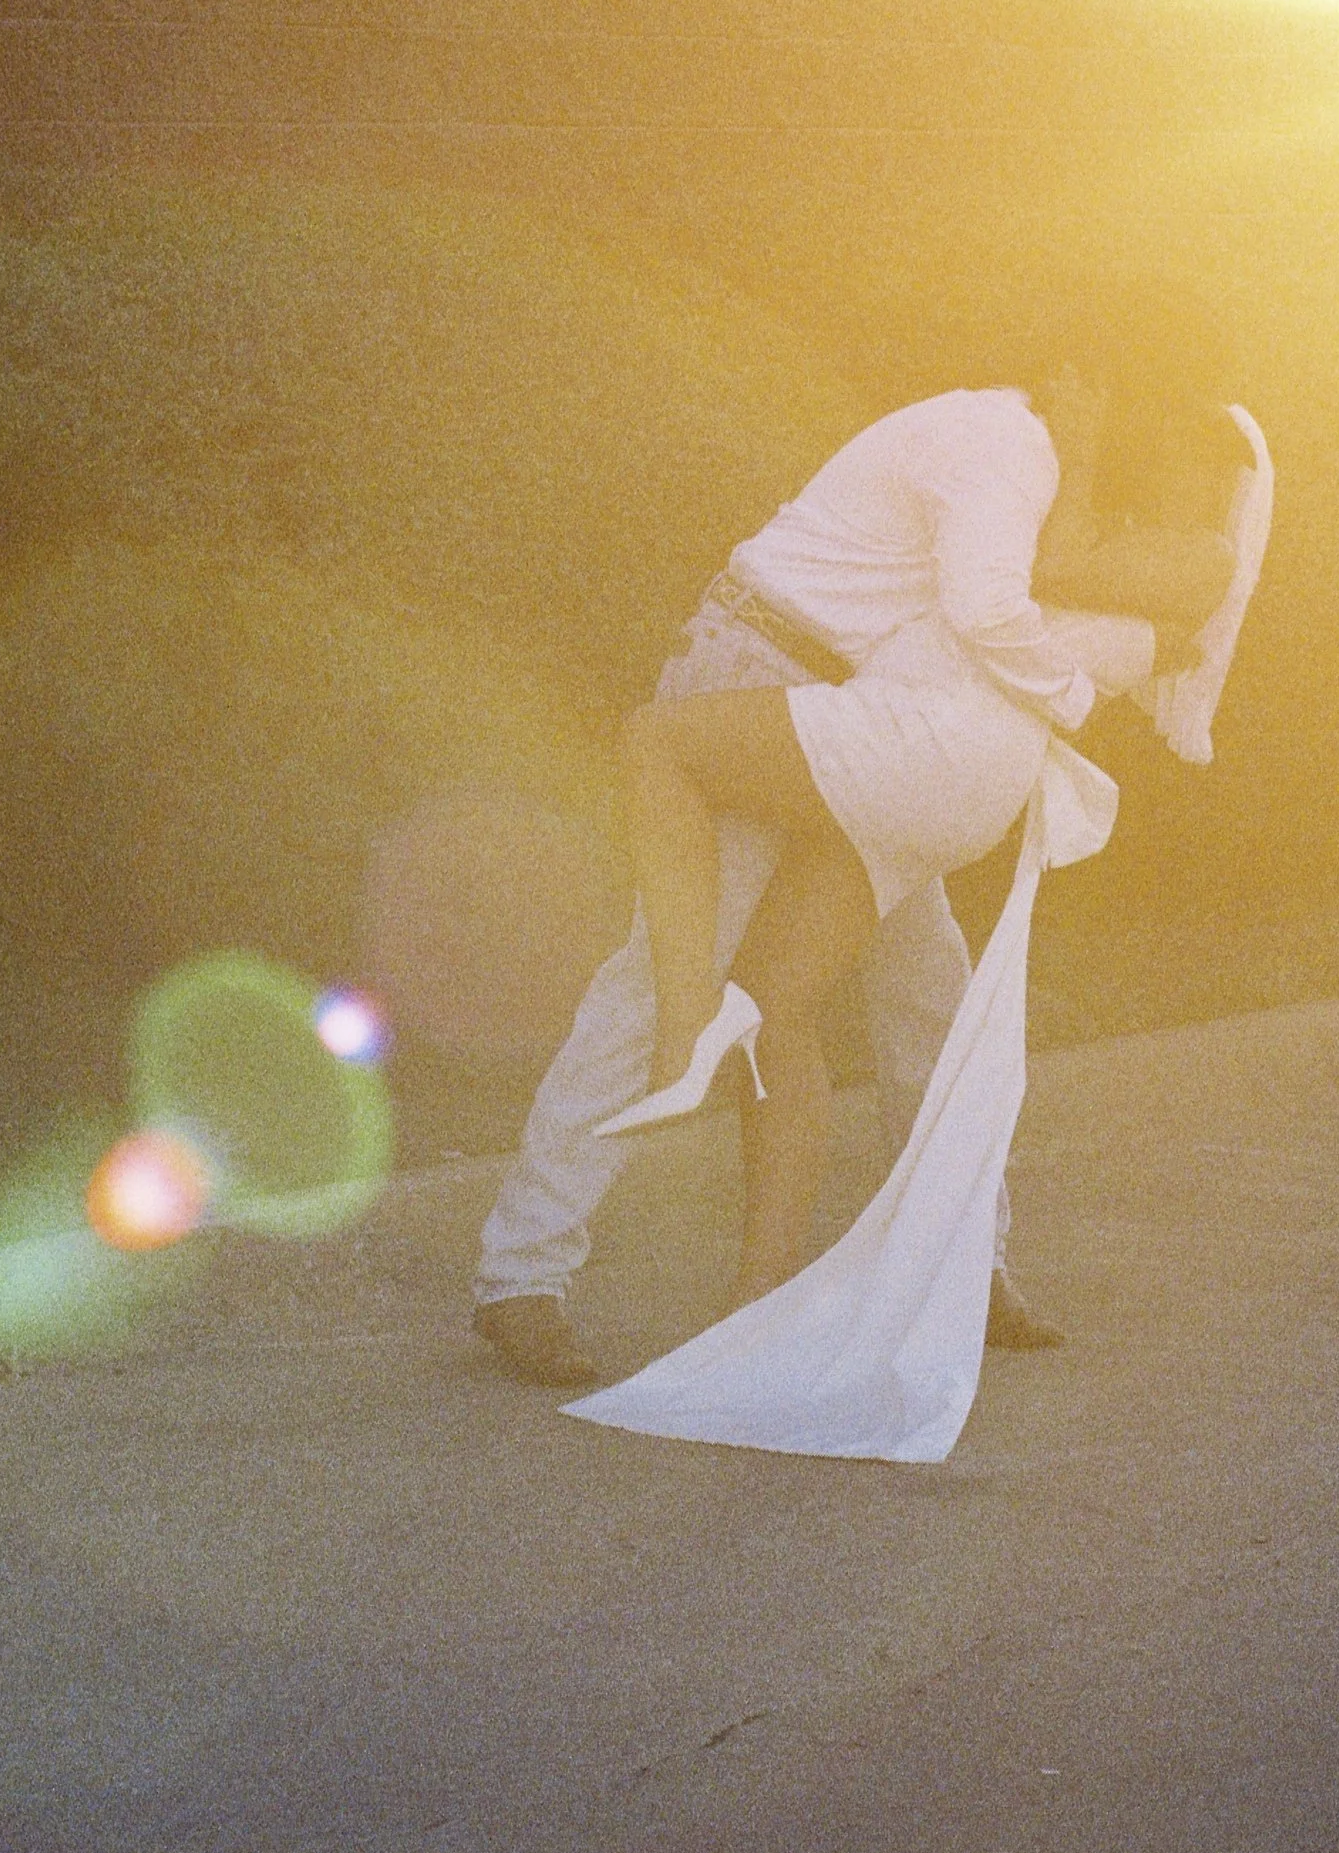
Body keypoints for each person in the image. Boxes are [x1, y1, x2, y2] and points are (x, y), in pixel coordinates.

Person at [471, 297, 1234, 1387]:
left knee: (929, 988)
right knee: (659, 981)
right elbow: (986, 610)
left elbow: (1044, 590)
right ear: (1077, 380)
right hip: (761, 671)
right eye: (1111, 399)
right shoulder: (1003, 447)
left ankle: (968, 1264)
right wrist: (1072, 688)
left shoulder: (1029, 461)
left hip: (860, 721)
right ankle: (521, 1276)